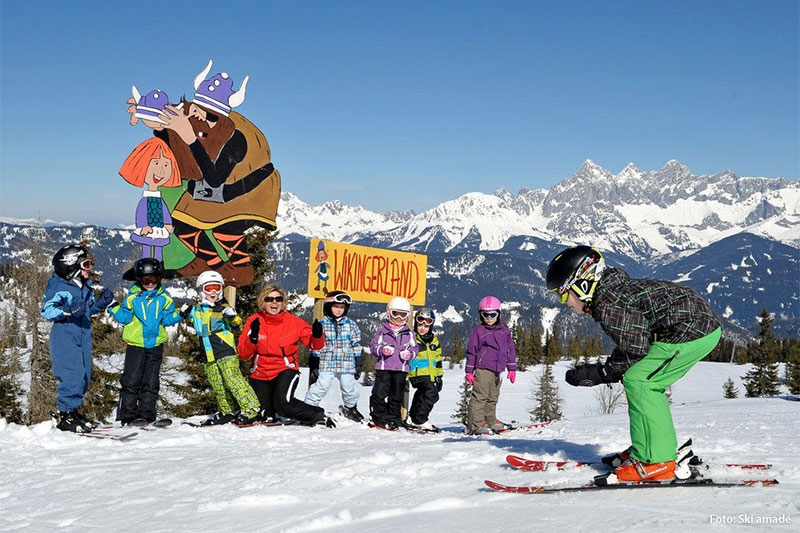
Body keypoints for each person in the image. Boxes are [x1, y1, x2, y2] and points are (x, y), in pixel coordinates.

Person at [546, 245, 722, 484]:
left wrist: (604, 372)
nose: (564, 302)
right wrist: (607, 371)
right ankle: (647, 446)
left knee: (641, 382)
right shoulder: (610, 293)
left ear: (583, 284)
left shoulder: (607, 304)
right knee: (639, 378)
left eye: (564, 295)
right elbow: (635, 340)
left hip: (692, 332)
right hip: (693, 327)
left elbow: (637, 347)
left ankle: (656, 460)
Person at [41, 244, 114, 432]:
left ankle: (73, 411)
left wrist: (100, 304)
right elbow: (47, 310)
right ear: (71, 266)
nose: (90, 269)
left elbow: (87, 312)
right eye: (87, 265)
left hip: (83, 332)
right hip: (65, 334)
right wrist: (68, 311)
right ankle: (65, 414)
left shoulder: (84, 287)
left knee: (84, 376)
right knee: (71, 374)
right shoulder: (59, 286)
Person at [237, 285, 333, 426]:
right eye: (269, 299)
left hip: (285, 369)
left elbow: (314, 345)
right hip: (260, 372)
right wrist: (252, 340)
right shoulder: (254, 321)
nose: (274, 302)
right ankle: (270, 414)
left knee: (283, 403)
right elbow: (243, 354)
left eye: (278, 299)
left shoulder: (294, 322)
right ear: (263, 302)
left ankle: (317, 415)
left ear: (283, 303)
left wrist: (318, 335)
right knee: (260, 412)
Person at [178, 271, 261, 426]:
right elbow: (189, 320)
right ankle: (228, 410)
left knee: (232, 380)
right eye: (209, 289)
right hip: (208, 353)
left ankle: (252, 408)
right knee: (218, 384)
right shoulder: (196, 310)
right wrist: (183, 313)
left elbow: (237, 326)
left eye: (217, 288)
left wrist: (232, 317)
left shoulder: (223, 308)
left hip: (225, 350)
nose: (214, 293)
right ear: (202, 290)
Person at [109, 258, 182, 426]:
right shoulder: (132, 297)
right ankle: (127, 415)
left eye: (153, 279)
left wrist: (180, 314)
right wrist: (113, 306)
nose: (150, 284)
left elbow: (166, 319)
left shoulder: (165, 298)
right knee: (132, 379)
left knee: (151, 380)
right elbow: (125, 318)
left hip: (155, 344)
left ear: (159, 278)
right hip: (136, 344)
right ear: (139, 280)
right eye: (145, 280)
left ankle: (147, 415)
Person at [304, 291, 365, 423]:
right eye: (336, 306)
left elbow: (356, 344)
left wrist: (358, 362)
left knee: (348, 386)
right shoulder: (323, 324)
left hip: (347, 362)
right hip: (327, 361)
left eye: (342, 307)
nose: (339, 310)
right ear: (329, 306)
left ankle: (350, 407)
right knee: (322, 384)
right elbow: (316, 345)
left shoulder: (351, 325)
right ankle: (308, 408)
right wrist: (314, 363)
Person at [118, 136, 182, 261]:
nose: (161, 170)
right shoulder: (145, 201)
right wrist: (143, 225)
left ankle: (158, 265)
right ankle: (147, 262)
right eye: (156, 163)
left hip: (159, 229)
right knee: (147, 247)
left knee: (158, 249)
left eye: (166, 165)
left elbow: (165, 213)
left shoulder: (160, 200)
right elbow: (141, 213)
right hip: (148, 229)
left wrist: (168, 224)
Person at [464, 296, 517, 435]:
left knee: (493, 396)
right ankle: (475, 425)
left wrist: (511, 368)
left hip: (498, 369)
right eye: (485, 315)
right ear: (481, 315)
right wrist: (469, 371)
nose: (489, 318)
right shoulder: (479, 331)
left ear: (499, 314)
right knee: (480, 396)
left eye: (492, 314)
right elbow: (471, 351)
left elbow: (510, 349)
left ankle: (490, 420)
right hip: (483, 368)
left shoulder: (504, 330)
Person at [369, 297, 418, 430]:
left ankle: (393, 417)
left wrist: (410, 354)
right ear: (389, 313)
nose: (399, 318)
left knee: (396, 395)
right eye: (396, 313)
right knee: (379, 393)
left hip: (401, 369)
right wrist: (381, 350)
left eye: (403, 315)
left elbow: (415, 348)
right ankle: (378, 415)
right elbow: (373, 346)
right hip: (384, 368)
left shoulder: (409, 333)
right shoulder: (383, 331)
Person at [406, 308, 443, 431]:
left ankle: (413, 415)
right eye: (420, 324)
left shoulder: (434, 341)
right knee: (432, 394)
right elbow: (405, 358)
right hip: (417, 373)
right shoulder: (412, 339)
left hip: (430, 375)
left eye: (426, 325)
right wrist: (405, 377)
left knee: (422, 394)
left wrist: (439, 376)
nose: (423, 328)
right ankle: (420, 418)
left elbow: (437, 360)